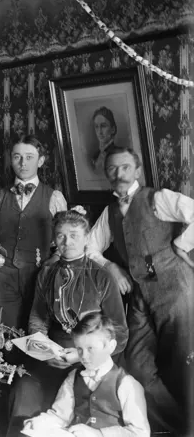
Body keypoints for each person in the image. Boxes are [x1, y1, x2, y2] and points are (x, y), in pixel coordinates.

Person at [86, 146, 194, 434]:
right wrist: (110, 266)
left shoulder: (157, 198)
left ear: (137, 170)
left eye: (124, 167)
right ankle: (177, 425)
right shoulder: (110, 211)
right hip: (140, 296)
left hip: (176, 290)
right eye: (112, 169)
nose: (118, 174)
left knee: (184, 363)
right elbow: (89, 247)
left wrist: (181, 247)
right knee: (136, 364)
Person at [7, 208, 128, 437]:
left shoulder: (102, 276)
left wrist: (82, 354)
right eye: (61, 235)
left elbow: (119, 333)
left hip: (91, 358)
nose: (67, 241)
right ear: (54, 239)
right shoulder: (47, 274)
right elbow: (37, 319)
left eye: (74, 235)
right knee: (24, 388)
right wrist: (46, 350)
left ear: (85, 239)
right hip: (53, 355)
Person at [0, 135, 67, 329]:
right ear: (11, 160)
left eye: (29, 157)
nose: (23, 163)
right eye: (17, 157)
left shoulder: (54, 198)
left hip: (40, 277)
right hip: (5, 279)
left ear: (41, 161)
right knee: (7, 334)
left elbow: (64, 243)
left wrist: (51, 265)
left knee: (38, 334)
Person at [23, 313, 149, 437]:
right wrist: (39, 424)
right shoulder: (73, 377)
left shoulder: (127, 384)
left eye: (90, 349)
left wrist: (99, 434)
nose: (83, 356)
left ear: (111, 347)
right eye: (79, 349)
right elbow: (60, 416)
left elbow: (140, 432)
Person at [89, 107, 117, 175]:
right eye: (96, 127)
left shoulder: (117, 155)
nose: (99, 132)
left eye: (103, 126)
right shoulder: (94, 156)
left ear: (112, 129)